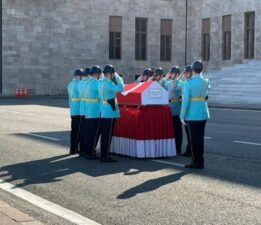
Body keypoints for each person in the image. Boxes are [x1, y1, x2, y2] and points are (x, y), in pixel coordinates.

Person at [180, 60, 210, 169]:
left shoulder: (188, 83)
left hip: (192, 114)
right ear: (202, 69)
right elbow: (206, 95)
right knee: (200, 139)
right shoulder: (205, 81)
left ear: (192, 70)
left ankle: (196, 162)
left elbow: (185, 101)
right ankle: (200, 161)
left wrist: (182, 115)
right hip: (203, 113)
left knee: (194, 140)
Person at [98, 64, 124, 162]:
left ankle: (103, 155)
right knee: (108, 135)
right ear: (111, 74)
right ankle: (105, 156)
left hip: (104, 110)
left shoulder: (101, 83)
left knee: (105, 135)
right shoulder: (109, 84)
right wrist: (117, 77)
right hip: (110, 112)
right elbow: (121, 88)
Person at [85, 66, 102, 160]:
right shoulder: (96, 82)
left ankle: (88, 152)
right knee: (94, 134)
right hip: (95, 111)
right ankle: (92, 153)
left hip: (88, 111)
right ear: (97, 74)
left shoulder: (87, 82)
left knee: (89, 134)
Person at [67, 69, 84, 155]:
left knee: (73, 130)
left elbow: (70, 99)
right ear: (80, 76)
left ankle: (72, 148)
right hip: (79, 110)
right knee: (78, 131)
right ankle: (76, 148)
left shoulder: (70, 84)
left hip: (73, 109)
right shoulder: (79, 84)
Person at [168, 66, 183, 155]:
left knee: (178, 131)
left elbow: (180, 91)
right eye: (170, 73)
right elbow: (162, 84)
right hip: (170, 109)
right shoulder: (169, 83)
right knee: (172, 131)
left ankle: (178, 149)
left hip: (177, 110)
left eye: (172, 73)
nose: (170, 75)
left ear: (177, 74)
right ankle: (172, 148)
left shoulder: (181, 83)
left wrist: (176, 81)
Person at [77, 67, 91, 156]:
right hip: (88, 108)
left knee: (82, 130)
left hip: (82, 108)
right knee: (88, 131)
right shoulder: (88, 83)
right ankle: (86, 149)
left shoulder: (80, 83)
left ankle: (81, 149)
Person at [181, 65, 193, 157]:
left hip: (189, 111)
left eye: (187, 73)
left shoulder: (188, 83)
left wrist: (182, 115)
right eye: (185, 73)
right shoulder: (186, 82)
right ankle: (190, 149)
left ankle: (190, 150)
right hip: (193, 111)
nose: (185, 74)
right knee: (189, 133)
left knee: (190, 133)